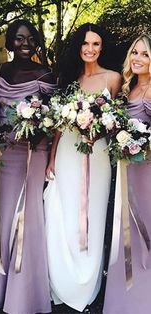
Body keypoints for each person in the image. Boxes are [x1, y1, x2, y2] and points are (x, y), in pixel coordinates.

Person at [44, 23, 121, 312]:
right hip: (66, 153)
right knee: (64, 211)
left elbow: (119, 120)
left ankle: (87, 283)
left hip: (97, 154)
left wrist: (98, 133)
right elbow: (59, 128)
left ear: (103, 48)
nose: (90, 49)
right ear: (78, 47)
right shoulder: (69, 79)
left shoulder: (113, 78)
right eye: (85, 44)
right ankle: (63, 280)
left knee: (93, 213)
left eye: (96, 44)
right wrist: (52, 158)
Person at [0, 19, 57, 314]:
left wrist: (36, 131)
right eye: (18, 39)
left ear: (38, 42)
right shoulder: (0, 72)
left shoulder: (46, 73)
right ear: (9, 42)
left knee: (28, 218)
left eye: (30, 38)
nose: (25, 44)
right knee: (6, 218)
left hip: (33, 152)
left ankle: (26, 294)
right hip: (5, 155)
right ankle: (2, 289)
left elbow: (53, 119)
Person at [103, 34, 151, 314]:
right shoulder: (127, 89)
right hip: (128, 169)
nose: (138, 58)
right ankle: (127, 295)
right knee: (127, 228)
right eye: (135, 52)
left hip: (147, 171)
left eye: (145, 54)